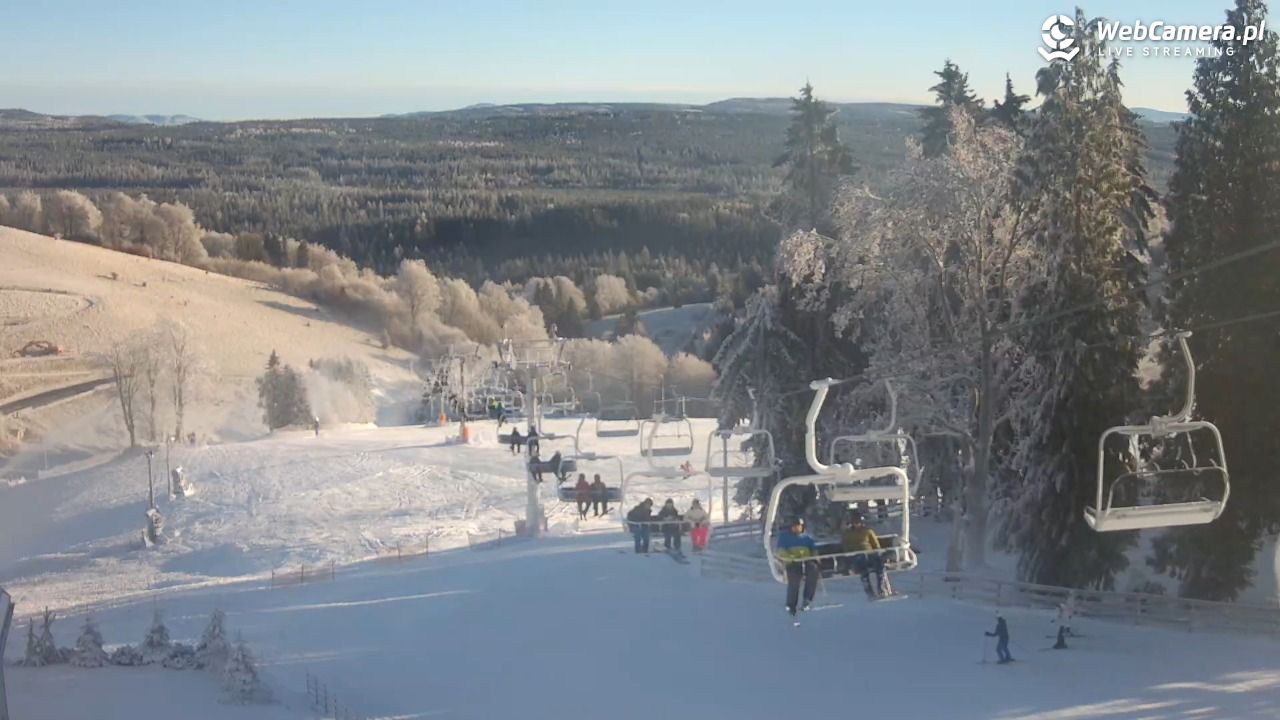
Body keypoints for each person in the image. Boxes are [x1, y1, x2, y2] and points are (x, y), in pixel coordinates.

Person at [776, 517, 819, 617]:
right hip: (793, 562)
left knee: (813, 571)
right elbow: (781, 551)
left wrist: (814, 558)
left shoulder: (807, 538)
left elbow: (813, 550)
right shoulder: (785, 538)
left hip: (806, 561)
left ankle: (807, 599)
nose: (796, 529)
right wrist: (792, 558)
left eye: (798, 527)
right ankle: (791, 604)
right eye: (794, 527)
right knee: (794, 579)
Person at [841, 512, 887, 599]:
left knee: (879, 564)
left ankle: (881, 588)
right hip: (856, 555)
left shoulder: (868, 532)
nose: (856, 524)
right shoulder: (847, 534)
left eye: (858, 522)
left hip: (869, 554)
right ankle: (869, 591)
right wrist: (850, 555)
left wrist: (878, 552)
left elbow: (876, 545)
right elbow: (845, 547)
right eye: (854, 522)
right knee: (862, 564)